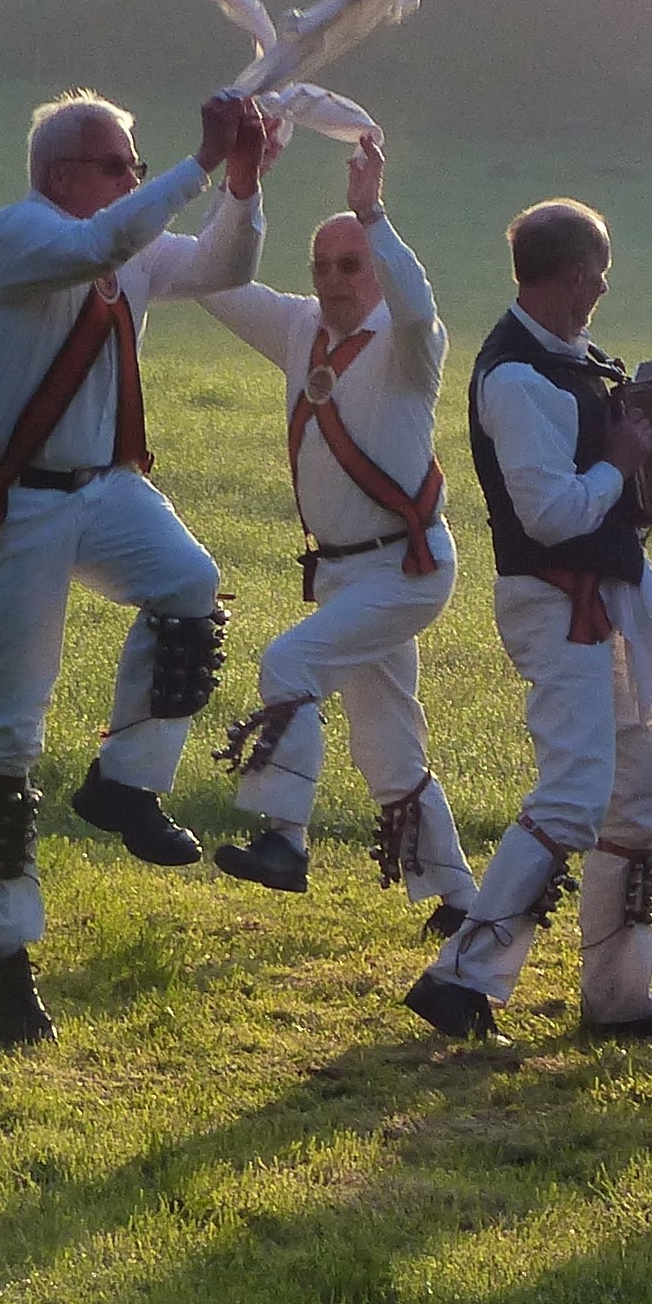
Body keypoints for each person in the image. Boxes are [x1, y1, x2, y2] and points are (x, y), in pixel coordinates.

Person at [0, 86, 264, 1046]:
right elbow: (97, 247)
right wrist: (196, 165)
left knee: (192, 588)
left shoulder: (123, 240)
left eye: (135, 163)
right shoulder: (14, 236)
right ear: (59, 174)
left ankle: (124, 782)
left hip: (99, 488)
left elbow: (224, 265)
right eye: (118, 164)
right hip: (11, 507)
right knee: (9, 732)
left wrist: (239, 183)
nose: (132, 176)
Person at [406, 199, 652, 1044]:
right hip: (559, 605)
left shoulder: (570, 362)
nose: (604, 290)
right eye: (600, 274)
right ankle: (463, 977)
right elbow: (552, 514)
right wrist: (622, 462)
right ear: (579, 277)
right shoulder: (516, 378)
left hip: (606, 602)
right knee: (575, 794)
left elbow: (611, 472)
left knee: (639, 806)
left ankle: (620, 998)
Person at [194, 129, 476, 925]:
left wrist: (372, 213)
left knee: (289, 662)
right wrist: (238, 187)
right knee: (390, 749)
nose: (334, 280)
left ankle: (286, 839)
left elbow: (418, 305)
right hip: (345, 572)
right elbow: (213, 282)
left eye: (350, 265)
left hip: (407, 570)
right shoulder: (295, 327)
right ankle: (457, 898)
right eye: (322, 266)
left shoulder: (410, 343)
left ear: (377, 271)